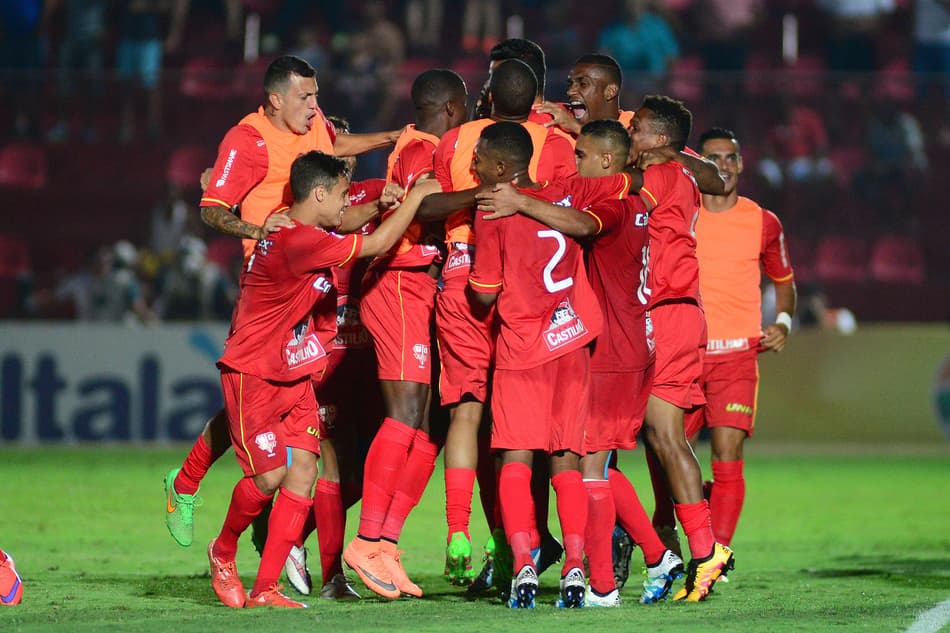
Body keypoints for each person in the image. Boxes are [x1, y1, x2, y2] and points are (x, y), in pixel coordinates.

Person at [163, 55, 401, 551]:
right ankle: (188, 485)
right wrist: (256, 227)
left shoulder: (314, 129)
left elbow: (336, 143)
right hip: (269, 282)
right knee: (253, 392)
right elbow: (211, 209)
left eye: (315, 95)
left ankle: (267, 534)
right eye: (305, 97)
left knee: (267, 398)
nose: (316, 106)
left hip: (313, 275)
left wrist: (394, 137)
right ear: (275, 99)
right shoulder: (247, 140)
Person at [207, 150, 439, 609]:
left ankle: (266, 588)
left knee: (305, 471)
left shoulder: (291, 224)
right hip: (254, 371)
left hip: (293, 369)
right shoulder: (301, 242)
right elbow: (374, 244)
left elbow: (350, 218)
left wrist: (377, 204)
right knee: (270, 476)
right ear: (318, 194)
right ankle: (223, 550)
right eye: (338, 195)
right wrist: (415, 199)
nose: (343, 205)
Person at [475, 119, 686, 606]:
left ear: (607, 159)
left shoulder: (600, 207)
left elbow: (577, 223)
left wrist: (520, 201)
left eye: (582, 156)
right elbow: (608, 187)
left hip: (596, 349)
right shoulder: (585, 191)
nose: (574, 165)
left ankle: (603, 584)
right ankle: (651, 557)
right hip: (590, 342)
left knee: (570, 466)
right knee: (588, 465)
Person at [415, 58, 576, 592]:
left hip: (467, 274)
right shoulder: (556, 145)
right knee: (529, 431)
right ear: (535, 98)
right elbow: (565, 208)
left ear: (488, 96)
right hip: (536, 292)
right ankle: (520, 540)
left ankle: (460, 532)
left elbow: (431, 207)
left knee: (467, 413)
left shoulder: (457, 140)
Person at [468, 121, 607, 609]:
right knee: (566, 459)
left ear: (502, 168)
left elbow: (484, 294)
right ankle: (574, 566)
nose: (473, 166)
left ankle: (524, 563)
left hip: (522, 349)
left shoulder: (491, 211)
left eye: (480, 158)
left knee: (515, 459)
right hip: (571, 346)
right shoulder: (564, 198)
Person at [343, 69, 468, 600]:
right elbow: (419, 202)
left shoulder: (420, 146)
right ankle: (365, 540)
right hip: (397, 282)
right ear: (450, 110)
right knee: (404, 413)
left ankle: (387, 543)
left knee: (425, 421)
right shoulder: (422, 150)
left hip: (418, 284)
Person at [628, 95, 734, 602]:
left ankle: (701, 549)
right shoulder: (675, 172)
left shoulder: (665, 175)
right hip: (662, 312)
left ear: (661, 141)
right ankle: (689, 547)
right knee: (658, 435)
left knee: (666, 436)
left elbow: (611, 195)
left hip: (670, 312)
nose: (630, 137)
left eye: (638, 130)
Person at [682, 127, 797, 547]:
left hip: (737, 356)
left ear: (742, 163)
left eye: (730, 157)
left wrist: (782, 321)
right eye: (713, 158)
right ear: (698, 165)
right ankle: (679, 526)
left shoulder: (763, 222)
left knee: (727, 453)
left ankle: (718, 554)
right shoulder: (681, 214)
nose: (723, 166)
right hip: (685, 354)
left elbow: (784, 281)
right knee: (672, 456)